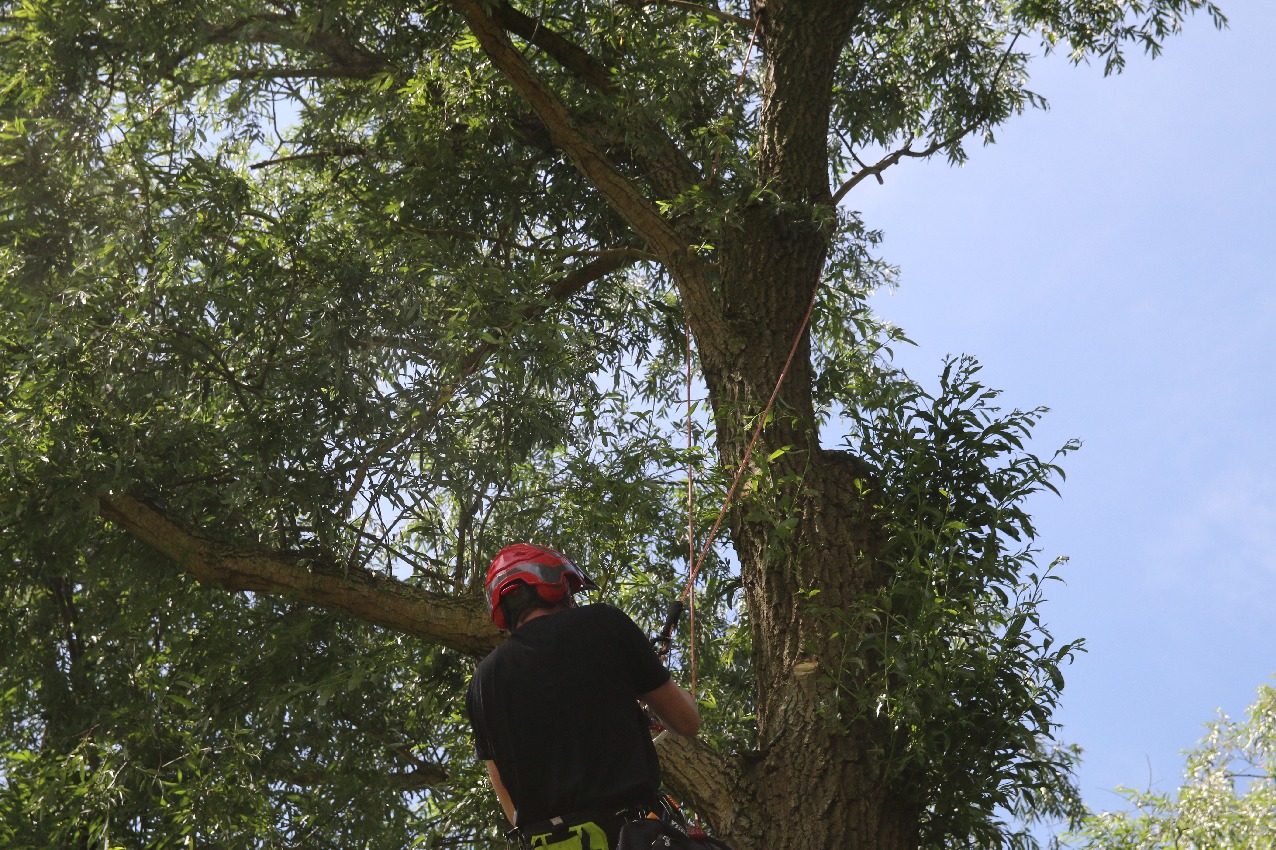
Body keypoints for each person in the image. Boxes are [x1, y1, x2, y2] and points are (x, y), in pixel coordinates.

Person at [465, 543, 700, 850]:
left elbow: (513, 811)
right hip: (630, 837)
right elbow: (686, 721)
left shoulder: (482, 683)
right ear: (554, 586)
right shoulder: (603, 623)